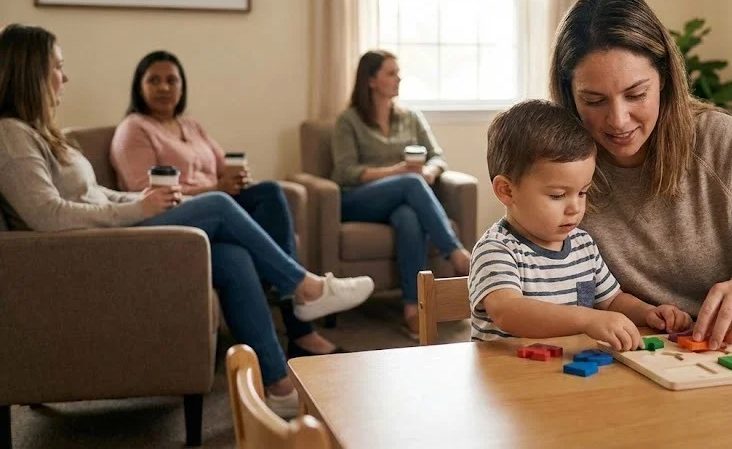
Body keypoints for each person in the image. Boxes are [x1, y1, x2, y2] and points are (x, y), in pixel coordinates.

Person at [0, 24, 374, 418]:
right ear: (32, 72)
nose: (66, 76)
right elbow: (48, 217)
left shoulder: (40, 133)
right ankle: (305, 288)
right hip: (93, 251)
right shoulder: (11, 135)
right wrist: (137, 209)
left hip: (109, 234)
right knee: (215, 204)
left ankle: (278, 383)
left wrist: (142, 201)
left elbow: (96, 195)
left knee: (232, 256)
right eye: (58, 67)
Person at [549, 0, 732, 351]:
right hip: (607, 359)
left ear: (664, 79)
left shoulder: (719, 142)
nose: (618, 120)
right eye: (594, 100)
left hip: (716, 354)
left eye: (636, 94)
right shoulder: (554, 161)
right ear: (569, 94)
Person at [109, 50, 347, 358]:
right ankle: (301, 313)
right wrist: (216, 188)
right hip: (179, 217)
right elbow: (143, 193)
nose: (164, 88)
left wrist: (237, 178)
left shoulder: (191, 126)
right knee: (246, 203)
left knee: (269, 193)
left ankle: (293, 319)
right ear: (139, 86)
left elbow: (223, 166)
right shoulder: (134, 128)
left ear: (182, 87)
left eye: (172, 80)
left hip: (219, 208)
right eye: (154, 80)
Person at [469, 100, 691, 349]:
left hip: (569, 375)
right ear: (507, 191)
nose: (575, 207)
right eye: (557, 195)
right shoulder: (497, 249)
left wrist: (648, 312)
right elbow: (508, 312)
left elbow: (612, 301)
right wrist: (588, 319)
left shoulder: (582, 244)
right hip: (508, 380)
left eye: (582, 193)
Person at [331, 50, 472, 338]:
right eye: (391, 73)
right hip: (357, 199)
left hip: (403, 198)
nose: (399, 78)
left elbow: (437, 157)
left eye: (398, 72)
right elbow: (346, 172)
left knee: (408, 216)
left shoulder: (411, 117)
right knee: (410, 183)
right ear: (371, 80)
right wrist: (398, 172)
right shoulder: (349, 120)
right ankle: (456, 253)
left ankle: (412, 308)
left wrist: (429, 173)